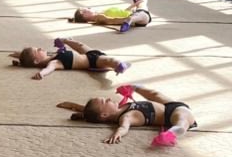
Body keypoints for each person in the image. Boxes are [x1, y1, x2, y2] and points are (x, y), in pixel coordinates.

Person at [58, 83, 198, 147]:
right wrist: (116, 134)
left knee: (154, 94)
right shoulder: (126, 117)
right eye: (105, 101)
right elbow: (124, 127)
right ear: (105, 114)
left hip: (168, 105)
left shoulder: (120, 107)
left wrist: (76, 107)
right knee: (182, 117)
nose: (109, 98)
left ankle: (135, 86)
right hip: (170, 115)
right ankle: (177, 129)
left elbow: (92, 112)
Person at [11, 37, 130, 80]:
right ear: (36, 61)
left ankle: (67, 40)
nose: (41, 48)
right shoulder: (55, 62)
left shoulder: (54, 55)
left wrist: (64, 42)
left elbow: (26, 58)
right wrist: (42, 73)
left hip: (89, 54)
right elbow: (49, 69)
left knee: (79, 45)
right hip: (92, 61)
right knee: (108, 60)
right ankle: (119, 65)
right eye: (37, 50)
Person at [71, 0, 151, 32]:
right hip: (135, 18)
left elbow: (123, 12)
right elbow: (111, 20)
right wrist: (125, 21)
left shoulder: (100, 14)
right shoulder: (98, 17)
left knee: (142, 6)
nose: (90, 8)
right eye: (87, 9)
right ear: (84, 14)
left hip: (134, 15)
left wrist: (133, 5)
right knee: (143, 4)